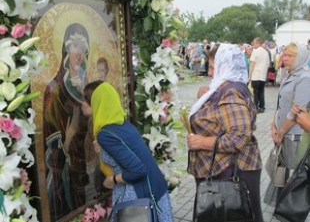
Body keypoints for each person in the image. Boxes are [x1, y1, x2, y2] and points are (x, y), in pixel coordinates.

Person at [187, 43, 263, 222]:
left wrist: (202, 142)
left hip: (232, 170)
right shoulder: (225, 88)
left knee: (235, 216)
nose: (210, 72)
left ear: (226, 66)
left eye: (213, 67)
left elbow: (238, 136)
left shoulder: (231, 92)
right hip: (225, 169)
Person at [85, 81, 174, 222]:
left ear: (96, 103)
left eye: (86, 101)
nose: (81, 104)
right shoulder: (122, 123)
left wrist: (112, 180)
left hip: (136, 199)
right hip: (156, 190)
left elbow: (138, 170)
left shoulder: (105, 133)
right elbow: (122, 160)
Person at [44, 23, 90, 221]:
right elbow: (49, 141)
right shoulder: (54, 89)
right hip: (65, 167)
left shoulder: (87, 84)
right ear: (65, 48)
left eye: (83, 48)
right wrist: (69, 136)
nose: (79, 54)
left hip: (85, 160)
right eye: (75, 46)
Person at [267, 43, 310, 209]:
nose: (284, 58)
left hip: (294, 135)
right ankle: (282, 206)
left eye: (290, 56)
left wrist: (281, 132)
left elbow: (295, 112)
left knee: (292, 173)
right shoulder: (288, 74)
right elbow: (280, 105)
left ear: (300, 58)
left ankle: (291, 209)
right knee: (282, 171)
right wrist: (273, 125)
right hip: (282, 133)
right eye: (285, 55)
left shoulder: (305, 78)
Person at [249, 37, 271, 113]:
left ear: (258, 43)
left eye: (254, 43)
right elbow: (268, 65)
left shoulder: (255, 52)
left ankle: (255, 106)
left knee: (256, 92)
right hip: (263, 75)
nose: (253, 45)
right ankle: (262, 106)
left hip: (256, 74)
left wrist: (250, 75)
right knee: (261, 91)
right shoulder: (266, 52)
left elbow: (252, 64)